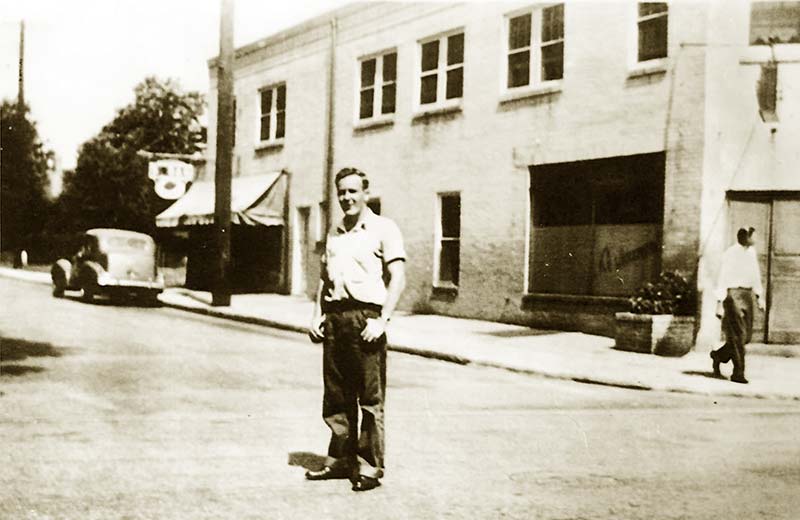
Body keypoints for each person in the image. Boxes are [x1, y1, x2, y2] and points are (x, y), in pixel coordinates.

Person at [306, 167, 406, 492]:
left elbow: (398, 278)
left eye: (353, 191)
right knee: (336, 396)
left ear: (365, 192)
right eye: (342, 193)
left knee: (369, 399)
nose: (347, 198)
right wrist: (315, 315)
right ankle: (339, 461)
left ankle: (369, 467)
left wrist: (383, 321)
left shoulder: (383, 228)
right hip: (335, 320)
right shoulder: (334, 233)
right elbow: (324, 281)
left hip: (366, 319)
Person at [710, 227, 765, 384]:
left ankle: (718, 356)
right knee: (738, 335)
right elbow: (722, 278)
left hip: (747, 295)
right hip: (733, 295)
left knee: (745, 337)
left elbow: (755, 275)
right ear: (745, 237)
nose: (756, 239)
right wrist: (720, 302)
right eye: (753, 236)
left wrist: (759, 296)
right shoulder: (730, 253)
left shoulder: (751, 253)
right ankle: (738, 373)